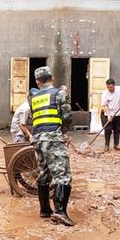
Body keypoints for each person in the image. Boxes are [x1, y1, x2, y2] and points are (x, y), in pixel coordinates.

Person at [30, 66, 74, 226]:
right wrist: (62, 131)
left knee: (43, 173)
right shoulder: (59, 93)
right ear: (52, 78)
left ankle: (45, 210)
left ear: (37, 82)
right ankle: (60, 211)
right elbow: (68, 116)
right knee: (63, 174)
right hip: (53, 137)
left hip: (37, 138)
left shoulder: (33, 98)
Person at [101, 79, 120, 151]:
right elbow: (105, 106)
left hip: (118, 114)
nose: (109, 89)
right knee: (107, 130)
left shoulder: (119, 89)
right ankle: (106, 146)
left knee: (117, 130)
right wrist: (109, 116)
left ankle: (116, 145)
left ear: (114, 85)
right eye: (108, 87)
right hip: (108, 114)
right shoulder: (105, 93)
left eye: (111, 87)